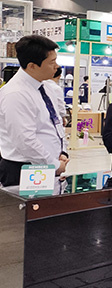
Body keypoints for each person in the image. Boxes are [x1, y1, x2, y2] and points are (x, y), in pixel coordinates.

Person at [0, 35, 69, 186]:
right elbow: (25, 140)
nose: (56, 66)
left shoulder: (46, 87)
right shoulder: (16, 94)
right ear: (32, 66)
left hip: (48, 165)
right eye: (51, 62)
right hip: (25, 169)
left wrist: (62, 152)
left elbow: (55, 123)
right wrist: (54, 165)